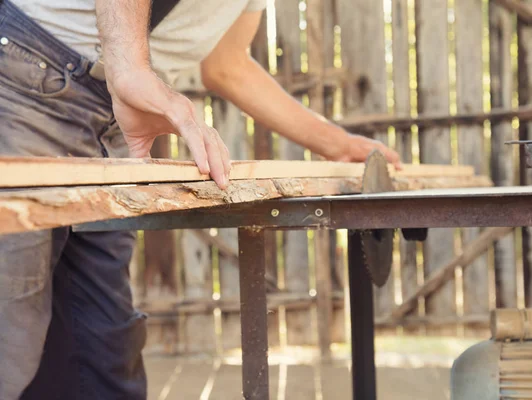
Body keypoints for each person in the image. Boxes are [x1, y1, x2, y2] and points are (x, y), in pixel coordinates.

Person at [0, 0, 401, 398]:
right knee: (10, 335)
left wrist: (338, 144)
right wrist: (132, 70)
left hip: (116, 114)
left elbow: (228, 65)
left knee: (103, 355)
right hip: (26, 73)